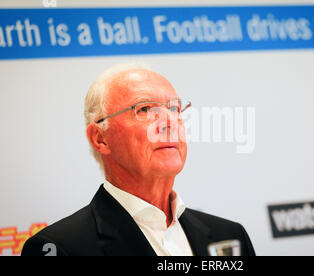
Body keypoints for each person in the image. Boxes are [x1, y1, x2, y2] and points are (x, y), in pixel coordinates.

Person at [21, 63, 256, 256]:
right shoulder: (59, 249)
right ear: (100, 138)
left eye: (174, 109)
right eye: (144, 109)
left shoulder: (230, 236)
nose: (169, 122)